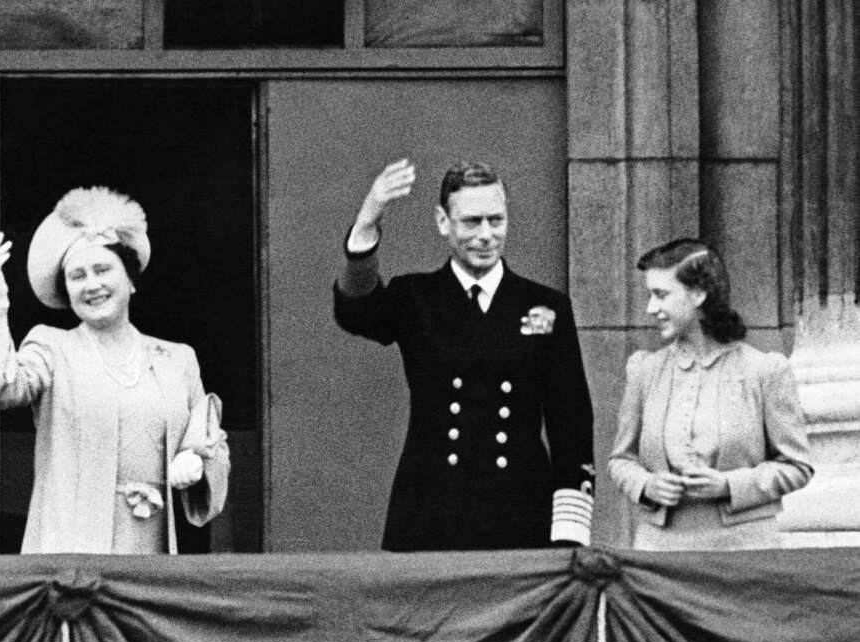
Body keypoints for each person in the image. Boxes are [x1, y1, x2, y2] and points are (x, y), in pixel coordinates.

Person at [333, 158, 595, 551]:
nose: (487, 235)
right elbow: (354, 313)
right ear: (443, 222)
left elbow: (571, 421)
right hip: (432, 512)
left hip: (520, 514)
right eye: (472, 222)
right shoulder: (415, 297)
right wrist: (367, 222)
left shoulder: (544, 305)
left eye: (497, 220)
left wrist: (569, 535)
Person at [0, 185, 229, 554]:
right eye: (77, 276)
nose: (92, 285)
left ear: (130, 280)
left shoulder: (177, 359)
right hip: (70, 548)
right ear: (66, 291)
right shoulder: (52, 347)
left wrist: (196, 460)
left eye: (102, 269)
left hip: (153, 548)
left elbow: (210, 438)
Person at [608, 238, 813, 550]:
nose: (651, 308)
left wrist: (730, 485)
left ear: (698, 294)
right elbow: (621, 460)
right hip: (660, 555)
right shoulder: (644, 371)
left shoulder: (764, 371)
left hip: (743, 553)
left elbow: (797, 467)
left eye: (661, 295)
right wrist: (647, 485)